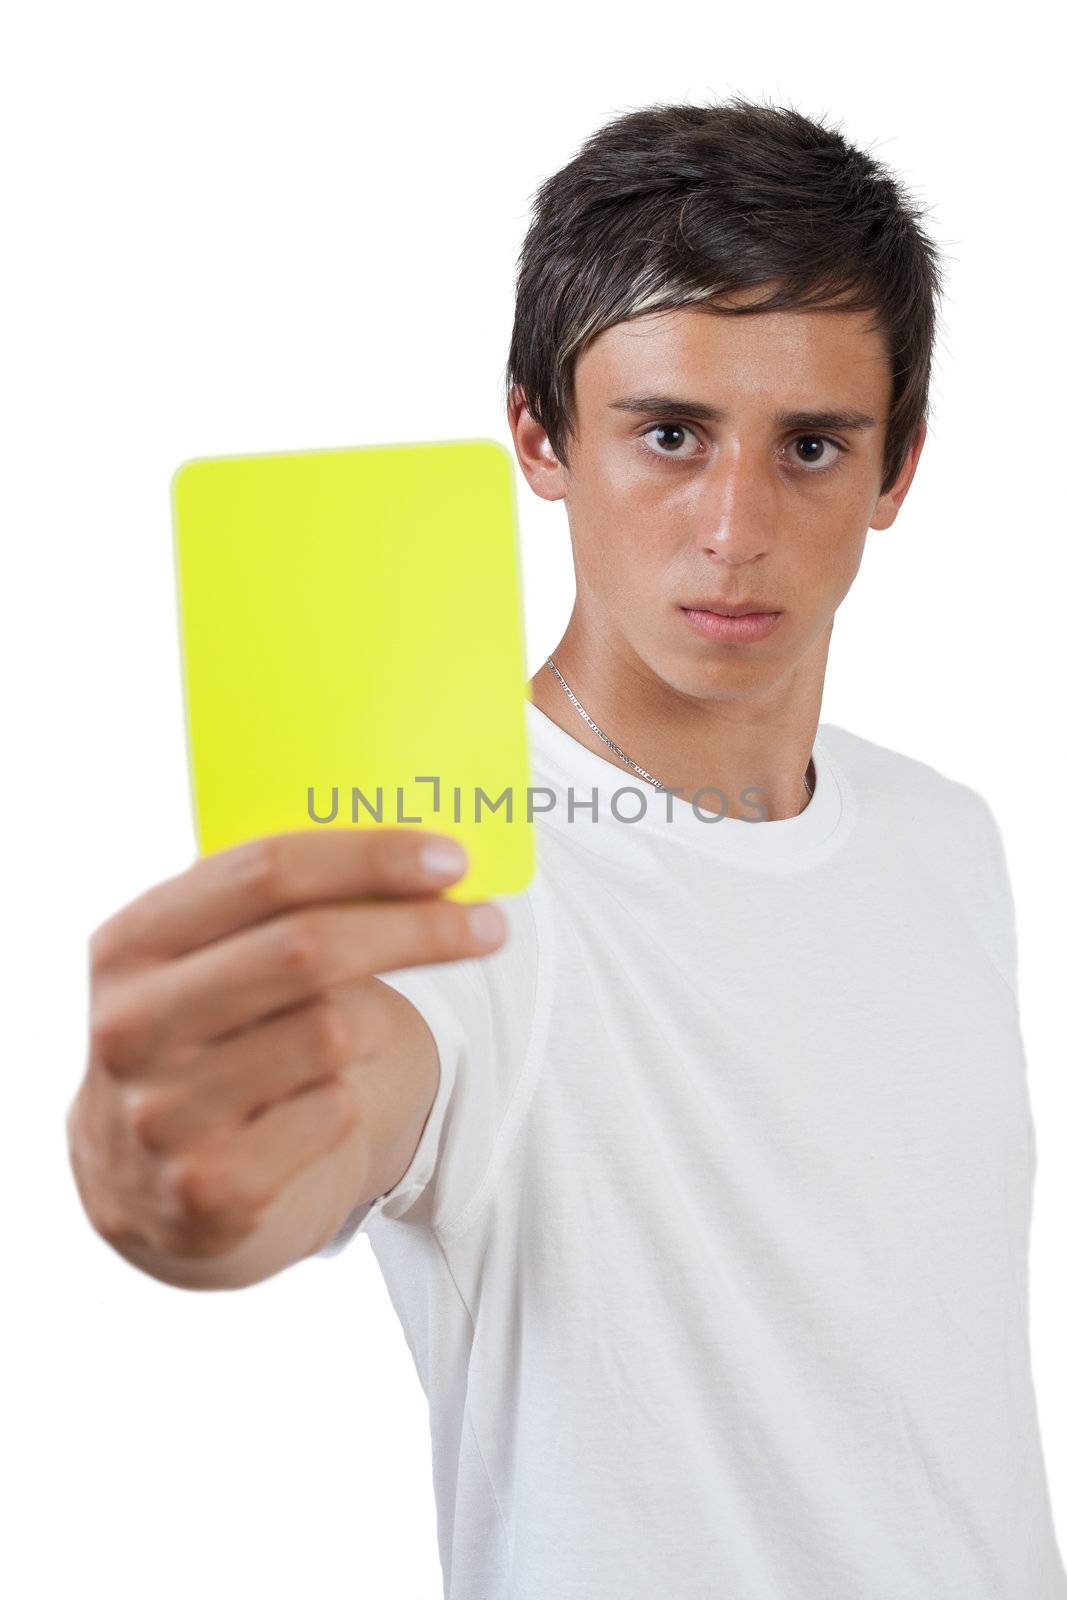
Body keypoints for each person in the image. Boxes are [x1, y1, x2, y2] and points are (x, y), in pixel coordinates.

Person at [67, 96, 1067, 1597]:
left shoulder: (947, 833)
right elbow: (310, 1137)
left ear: (899, 470)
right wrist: (160, 1181)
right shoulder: (442, 875)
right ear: (539, 435)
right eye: (669, 433)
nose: (735, 526)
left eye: (810, 445)